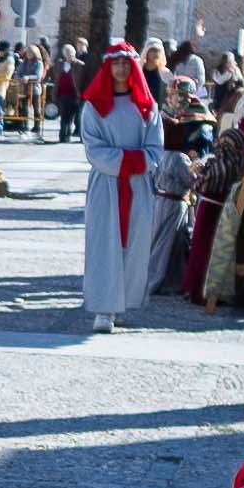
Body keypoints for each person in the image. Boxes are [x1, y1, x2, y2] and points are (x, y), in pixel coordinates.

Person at [73, 40, 161, 327]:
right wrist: (128, 161)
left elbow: (154, 148)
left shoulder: (147, 107)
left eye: (126, 63)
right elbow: (94, 150)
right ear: (108, 67)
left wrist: (135, 164)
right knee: (104, 244)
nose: (121, 68)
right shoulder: (94, 107)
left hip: (137, 187)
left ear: (133, 66)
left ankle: (122, 302)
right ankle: (103, 308)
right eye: (116, 63)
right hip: (106, 186)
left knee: (134, 245)